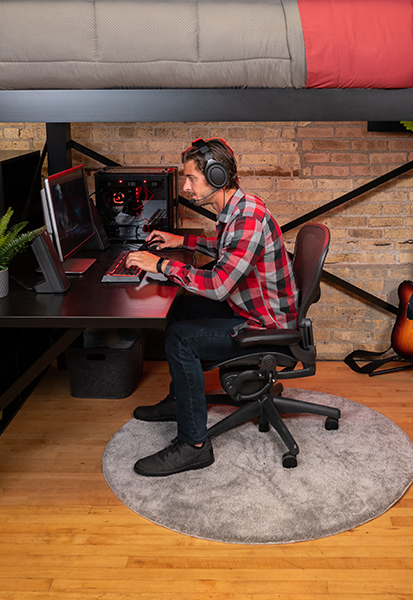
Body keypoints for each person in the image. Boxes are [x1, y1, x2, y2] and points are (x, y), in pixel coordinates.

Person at [125, 138, 298, 477]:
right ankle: (181, 402)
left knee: (180, 338)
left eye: (191, 178)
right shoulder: (239, 208)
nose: (186, 187)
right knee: (178, 310)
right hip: (251, 309)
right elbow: (227, 249)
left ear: (217, 176)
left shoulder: (248, 217)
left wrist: (161, 265)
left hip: (265, 327)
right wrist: (182, 242)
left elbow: (219, 286)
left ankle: (193, 446)